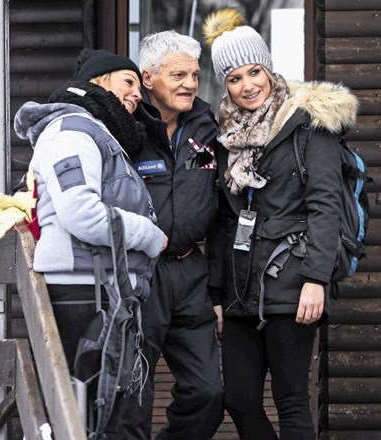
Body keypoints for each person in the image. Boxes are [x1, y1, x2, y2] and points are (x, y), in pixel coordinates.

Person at [202, 8, 358, 439]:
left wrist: (316, 280)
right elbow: (221, 219)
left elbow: (325, 207)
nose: (247, 85)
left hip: (292, 282)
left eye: (254, 72)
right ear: (225, 85)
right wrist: (216, 292)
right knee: (238, 398)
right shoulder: (225, 135)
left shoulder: (309, 127)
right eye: (234, 78)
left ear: (268, 70)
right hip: (238, 287)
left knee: (291, 401)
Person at [12, 49, 168, 438]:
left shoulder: (97, 132)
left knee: (109, 415)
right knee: (94, 417)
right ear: (98, 82)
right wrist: (149, 235)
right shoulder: (72, 130)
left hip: (103, 291)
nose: (137, 94)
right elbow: (80, 212)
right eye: (127, 82)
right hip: (85, 294)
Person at [116, 30, 224, 440]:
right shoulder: (123, 128)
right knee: (133, 395)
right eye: (178, 75)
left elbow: (222, 215)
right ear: (148, 78)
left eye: (194, 75)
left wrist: (215, 290)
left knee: (208, 392)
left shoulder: (207, 125)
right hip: (138, 274)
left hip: (189, 272)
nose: (190, 84)